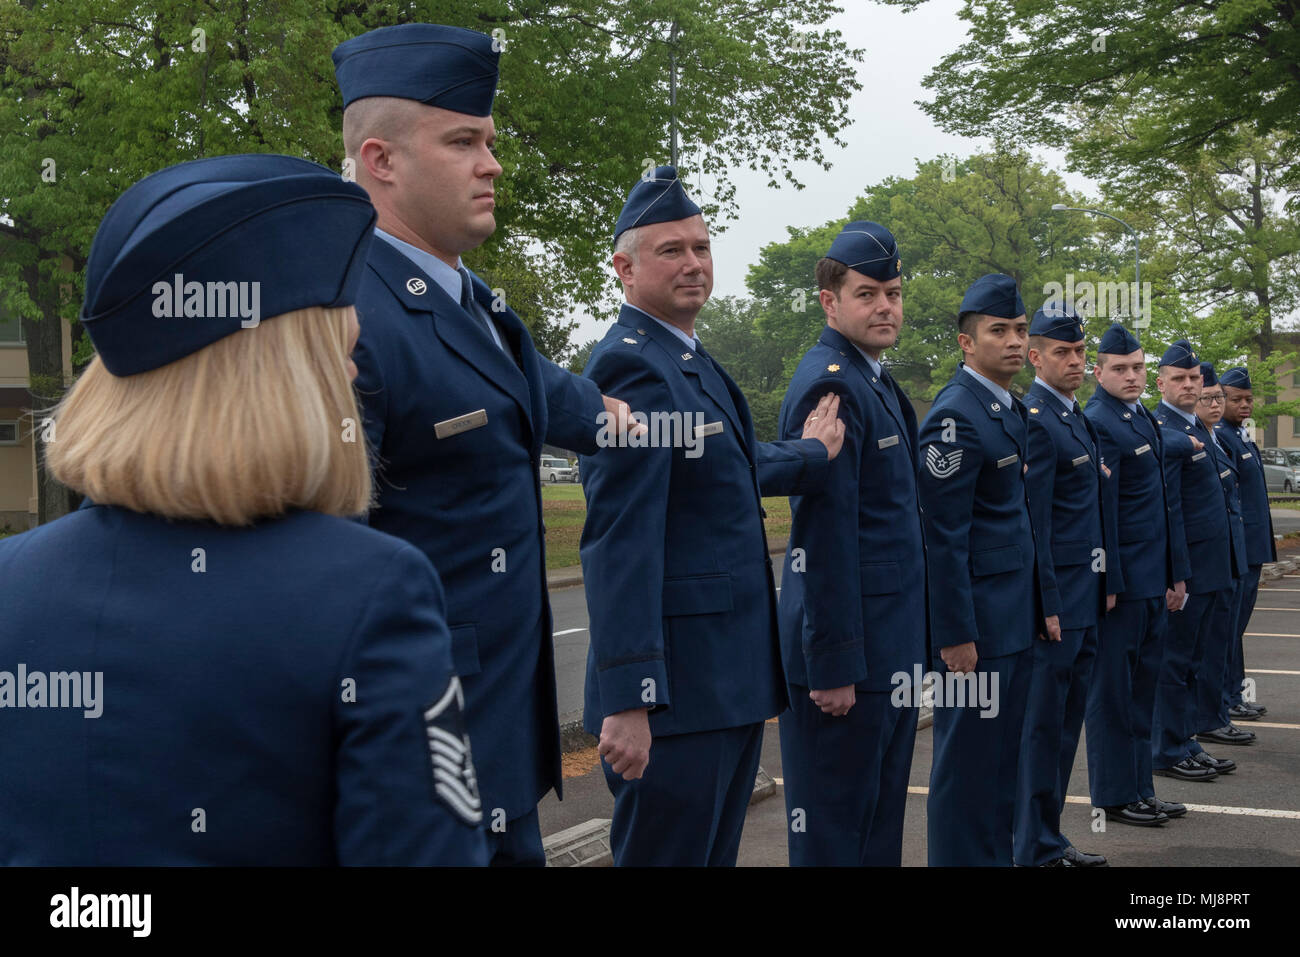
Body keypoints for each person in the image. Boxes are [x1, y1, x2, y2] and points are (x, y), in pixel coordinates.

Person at [0, 154, 486, 865]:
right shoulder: (370, 591)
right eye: (342, 353)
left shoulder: (12, 578)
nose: (352, 376)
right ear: (284, 376)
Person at [332, 23, 637, 865]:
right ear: (381, 160)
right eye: (463, 140)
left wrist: (640, 421)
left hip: (498, 746)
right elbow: (324, 566)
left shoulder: (471, 301)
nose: (492, 163)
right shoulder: (347, 316)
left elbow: (545, 392)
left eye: (490, 141)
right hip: (417, 756)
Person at [578, 166, 844, 866]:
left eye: (701, 246)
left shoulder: (687, 358)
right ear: (624, 268)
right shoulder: (631, 367)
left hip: (723, 680)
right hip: (676, 695)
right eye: (672, 250)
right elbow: (620, 537)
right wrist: (630, 698)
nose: (693, 263)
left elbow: (729, 462)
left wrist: (810, 454)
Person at [775, 221, 927, 867]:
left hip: (887, 649)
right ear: (829, 301)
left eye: (892, 292)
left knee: (875, 831)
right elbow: (824, 536)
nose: (885, 305)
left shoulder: (875, 381)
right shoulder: (830, 385)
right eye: (868, 293)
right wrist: (833, 663)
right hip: (850, 663)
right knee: (836, 836)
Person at [918, 273, 1045, 867]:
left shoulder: (1006, 408)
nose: (1015, 341)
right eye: (999, 331)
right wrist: (955, 635)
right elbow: (943, 538)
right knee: (965, 771)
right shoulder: (955, 417)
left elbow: (1016, 521)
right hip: (977, 635)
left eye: (1021, 329)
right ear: (968, 343)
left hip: (1011, 623)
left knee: (999, 767)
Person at [1014, 301, 1110, 867]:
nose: (1075, 362)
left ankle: (1048, 839)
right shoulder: (1037, 421)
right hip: (1057, 608)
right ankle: (1032, 845)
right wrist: (1047, 603)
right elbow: (1036, 526)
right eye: (1062, 352)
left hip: (1085, 601)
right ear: (1035, 357)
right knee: (1042, 732)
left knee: (1064, 728)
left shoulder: (1073, 417)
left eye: (1079, 352)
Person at [1082, 323, 1183, 827]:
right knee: (1113, 697)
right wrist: (1110, 583)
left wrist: (1174, 574)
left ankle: (1141, 786)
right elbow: (1104, 515)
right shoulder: (1099, 420)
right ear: (1096, 372)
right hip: (1122, 588)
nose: (1132, 375)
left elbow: (1162, 507)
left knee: (1142, 694)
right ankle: (1114, 795)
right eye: (1120, 368)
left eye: (1139, 367)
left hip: (1151, 582)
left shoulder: (1140, 416)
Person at [1151, 343, 1246, 782]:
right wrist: (1177, 572)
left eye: (1195, 379)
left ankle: (1186, 740)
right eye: (1180, 379)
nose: (1190, 385)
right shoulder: (1164, 428)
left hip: (1214, 566)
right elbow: (1170, 508)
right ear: (1162, 383)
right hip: (1189, 570)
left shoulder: (1198, 428)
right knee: (1174, 663)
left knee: (1192, 662)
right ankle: (1168, 748)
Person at [1191, 365, 1256, 749]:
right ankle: (1207, 719)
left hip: (1233, 553)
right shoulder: (1190, 438)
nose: (1216, 404)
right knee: (1205, 648)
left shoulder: (1217, 437)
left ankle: (1215, 714)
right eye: (1210, 398)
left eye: (1219, 397)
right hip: (1206, 561)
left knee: (1222, 639)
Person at [1217, 367, 1275, 721]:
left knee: (1235, 628)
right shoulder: (1222, 437)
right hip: (1239, 547)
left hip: (1252, 546)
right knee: (1229, 628)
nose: (1244, 405)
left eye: (1248, 399)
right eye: (1236, 399)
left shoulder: (1240, 435)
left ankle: (1233, 692)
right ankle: (1226, 696)